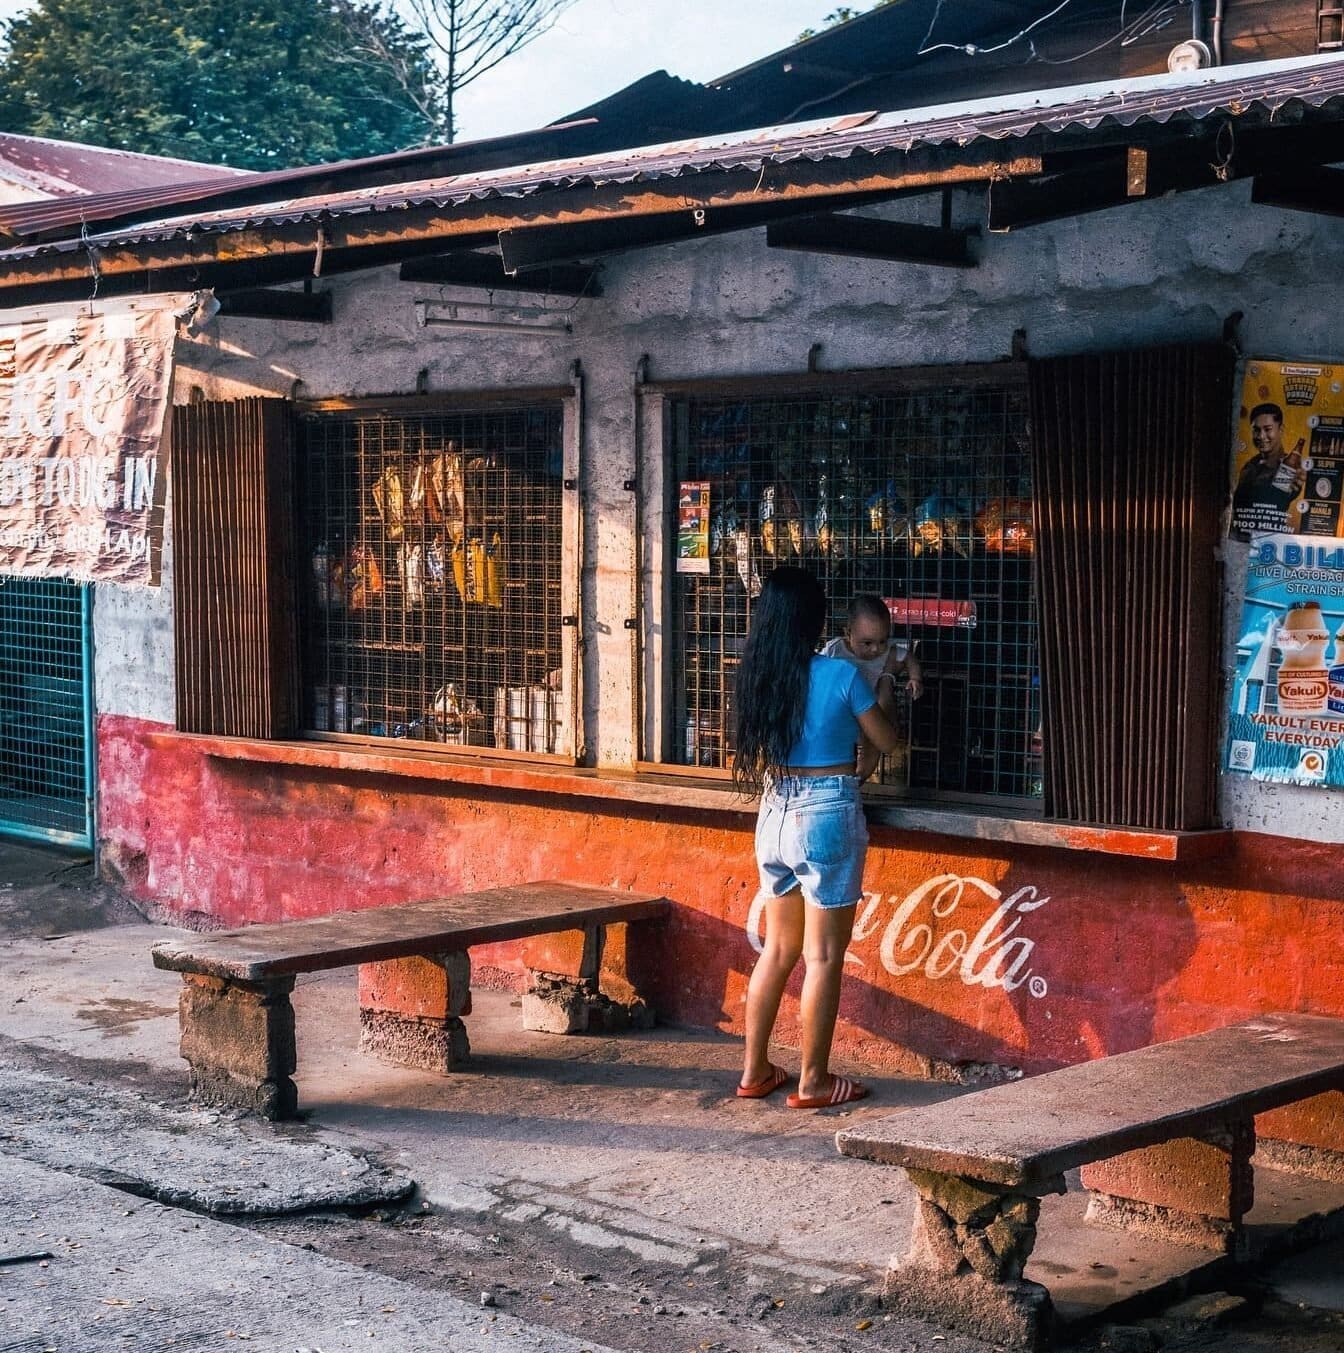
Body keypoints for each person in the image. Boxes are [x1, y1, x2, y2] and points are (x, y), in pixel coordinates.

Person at [733, 567, 902, 1109]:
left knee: (778, 950)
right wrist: (886, 689)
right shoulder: (840, 676)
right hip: (826, 809)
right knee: (824, 956)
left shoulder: (759, 676)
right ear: (815, 619)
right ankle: (814, 1081)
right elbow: (888, 742)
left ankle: (756, 1071)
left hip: (775, 807)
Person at [820, 593, 923, 782]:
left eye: (882, 641)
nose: (876, 649)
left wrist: (915, 678)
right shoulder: (835, 649)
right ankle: (843, 775)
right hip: (842, 712)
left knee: (873, 745)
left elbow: (909, 658)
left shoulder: (889, 651)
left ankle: (860, 777)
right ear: (848, 633)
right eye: (867, 643)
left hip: (872, 713)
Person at [1232, 402, 1305, 534]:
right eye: (1256, 430)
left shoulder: (1288, 467)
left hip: (1268, 543)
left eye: (1267, 429)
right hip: (1241, 543)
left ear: (1281, 430)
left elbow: (1286, 492)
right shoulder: (1251, 464)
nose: (1261, 436)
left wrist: (1295, 481)